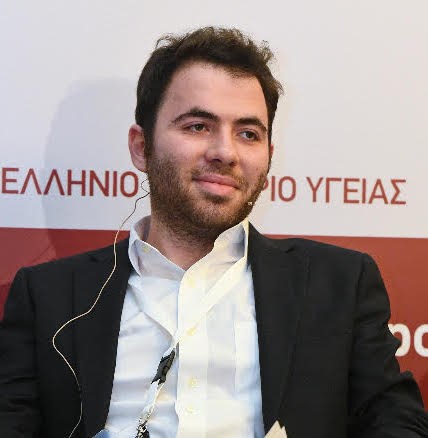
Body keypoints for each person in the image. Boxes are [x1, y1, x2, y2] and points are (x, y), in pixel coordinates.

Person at [0, 26, 427, 438]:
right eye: (197, 126)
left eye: (248, 133)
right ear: (141, 147)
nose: (225, 152)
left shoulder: (339, 284)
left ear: (269, 155)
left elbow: (396, 421)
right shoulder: (47, 297)